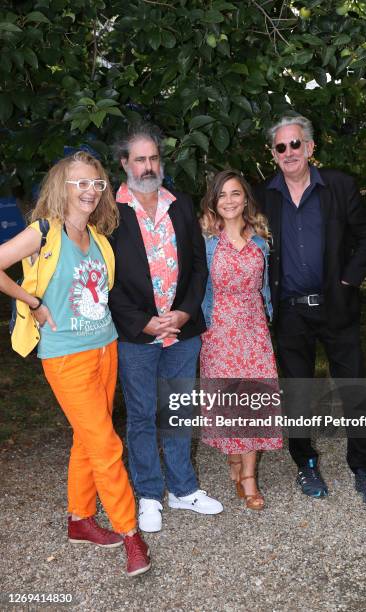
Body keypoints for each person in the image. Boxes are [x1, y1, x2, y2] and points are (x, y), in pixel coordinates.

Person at [1, 151, 151, 577]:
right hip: (65, 357)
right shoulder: (42, 233)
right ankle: (130, 534)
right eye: (80, 182)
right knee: (106, 446)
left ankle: (80, 520)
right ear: (61, 187)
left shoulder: (100, 239)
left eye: (97, 184)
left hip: (106, 348)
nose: (90, 191)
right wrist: (31, 302)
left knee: (89, 439)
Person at [253, 114, 366, 508]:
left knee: (355, 390)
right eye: (281, 147)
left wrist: (347, 281)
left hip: (336, 307)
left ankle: (363, 468)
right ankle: (305, 462)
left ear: (311, 147)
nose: (289, 152)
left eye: (296, 144)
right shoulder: (264, 195)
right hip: (291, 312)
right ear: (274, 154)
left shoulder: (340, 186)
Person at [109, 124, 223, 533]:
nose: (148, 165)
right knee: (141, 415)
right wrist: (142, 320)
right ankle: (151, 496)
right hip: (136, 334)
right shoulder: (109, 211)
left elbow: (197, 266)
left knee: (177, 410)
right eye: (139, 159)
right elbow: (106, 278)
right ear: (125, 163)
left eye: (154, 157)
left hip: (181, 331)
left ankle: (183, 489)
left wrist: (186, 312)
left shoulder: (180, 204)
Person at [200, 170, 282, 510]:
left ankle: (248, 476)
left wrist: (270, 318)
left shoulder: (261, 240)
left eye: (235, 194)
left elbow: (267, 289)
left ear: (245, 199)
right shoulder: (206, 242)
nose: (229, 201)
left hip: (253, 331)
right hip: (218, 331)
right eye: (222, 195)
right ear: (214, 202)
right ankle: (233, 458)